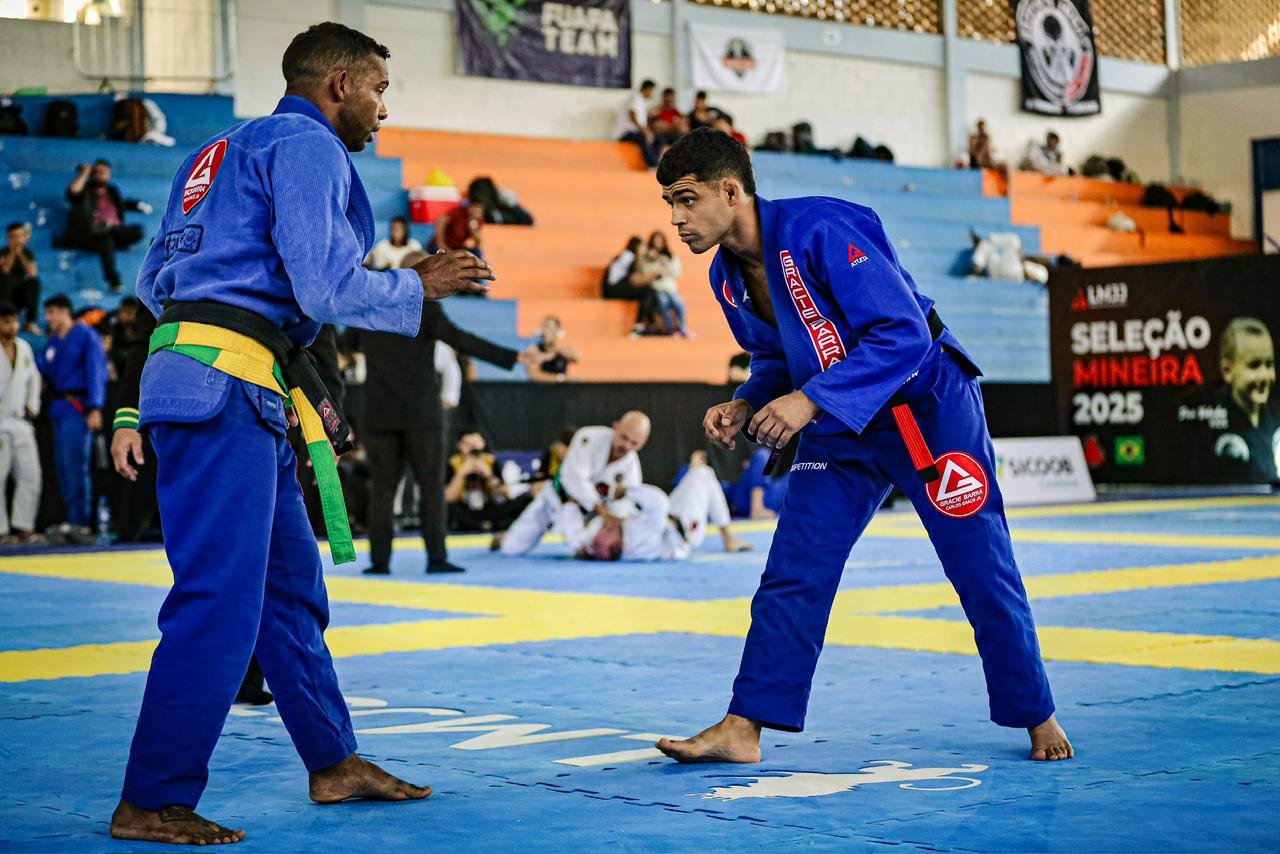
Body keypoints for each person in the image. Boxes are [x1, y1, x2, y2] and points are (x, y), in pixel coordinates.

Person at [111, 21, 496, 846]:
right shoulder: (307, 144)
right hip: (224, 390)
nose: (383, 110)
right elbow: (323, 287)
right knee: (218, 599)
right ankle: (152, 797)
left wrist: (249, 341)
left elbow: (153, 281)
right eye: (379, 90)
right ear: (340, 84)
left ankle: (333, 761)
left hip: (217, 379)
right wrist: (414, 284)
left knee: (289, 593)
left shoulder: (212, 152)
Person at [650, 128, 1072, 766]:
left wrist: (807, 401)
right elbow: (776, 358)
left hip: (923, 411)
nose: (677, 219)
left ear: (731, 192)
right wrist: (747, 401)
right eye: (670, 204)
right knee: (795, 568)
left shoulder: (821, 228)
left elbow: (903, 333)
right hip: (841, 426)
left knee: (979, 565)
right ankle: (743, 727)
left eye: (687, 199)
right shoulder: (726, 279)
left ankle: (1036, 713)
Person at [358, 250, 537, 575]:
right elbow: (461, 340)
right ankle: (437, 558)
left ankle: (379, 562)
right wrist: (513, 357)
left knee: (381, 490)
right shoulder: (424, 308)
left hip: (379, 413)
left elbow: (345, 346)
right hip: (421, 415)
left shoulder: (373, 305)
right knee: (431, 487)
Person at [495, 412, 650, 555]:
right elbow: (574, 478)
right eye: (624, 438)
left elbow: (623, 505)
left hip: (590, 516)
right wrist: (600, 509)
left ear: (642, 444)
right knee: (511, 549)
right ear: (616, 427)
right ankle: (505, 538)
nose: (626, 446)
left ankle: (582, 544)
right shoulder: (588, 437)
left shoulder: (632, 469)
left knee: (590, 549)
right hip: (555, 500)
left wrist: (613, 522)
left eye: (634, 443)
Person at [572, 453, 751, 561]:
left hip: (666, 520)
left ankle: (692, 469)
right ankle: (728, 538)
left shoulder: (599, 540)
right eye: (607, 531)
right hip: (685, 530)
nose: (606, 527)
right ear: (619, 545)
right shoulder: (637, 534)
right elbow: (659, 502)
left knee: (694, 477)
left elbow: (582, 539)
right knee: (704, 473)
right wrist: (627, 491)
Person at [37, 294, 107, 536]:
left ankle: (81, 522)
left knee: (76, 465)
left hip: (79, 407)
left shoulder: (86, 334)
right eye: (47, 313)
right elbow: (41, 369)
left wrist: (95, 407)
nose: (48, 318)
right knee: (63, 468)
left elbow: (96, 371)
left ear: (65, 311)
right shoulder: (54, 342)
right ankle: (71, 518)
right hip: (58, 409)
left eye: (52, 312)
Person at [62, 159, 152, 292]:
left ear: (109, 175)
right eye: (96, 172)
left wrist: (137, 205)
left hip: (114, 231)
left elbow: (122, 204)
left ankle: (114, 241)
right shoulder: (86, 190)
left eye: (103, 172)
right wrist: (85, 173)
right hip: (91, 235)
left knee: (138, 231)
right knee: (105, 239)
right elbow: (73, 192)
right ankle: (113, 280)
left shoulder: (112, 190)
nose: (99, 175)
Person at [1211, 317, 1278, 482]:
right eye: (1254, 365)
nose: (1264, 376)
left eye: (1269, 364)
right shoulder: (1212, 428)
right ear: (1227, 370)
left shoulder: (1275, 416)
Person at [0, 300, 42, 544]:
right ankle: (2, 531)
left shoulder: (24, 347)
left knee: (30, 475)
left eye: (15, 321)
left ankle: (25, 527)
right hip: (1, 421)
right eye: (7, 322)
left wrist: (32, 405)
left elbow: (34, 379)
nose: (13, 326)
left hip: (20, 421)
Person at [445, 430, 534, 532]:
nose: (472, 450)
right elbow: (448, 498)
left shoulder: (490, 462)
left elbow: (504, 497)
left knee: (523, 502)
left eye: (475, 445)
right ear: (460, 446)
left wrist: (489, 475)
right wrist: (461, 474)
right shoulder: (453, 464)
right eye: (468, 445)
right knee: (447, 509)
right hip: (465, 510)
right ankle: (482, 525)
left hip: (488, 510)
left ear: (483, 444)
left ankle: (485, 524)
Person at [603, 236, 660, 335]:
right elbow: (633, 280)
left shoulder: (627, 255)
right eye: (643, 246)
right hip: (613, 289)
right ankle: (639, 325)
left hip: (615, 287)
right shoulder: (629, 256)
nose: (645, 249)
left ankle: (651, 324)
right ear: (637, 246)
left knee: (650, 292)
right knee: (647, 292)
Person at [640, 231, 689, 337]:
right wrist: (656, 270)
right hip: (657, 289)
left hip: (670, 289)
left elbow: (677, 272)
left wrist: (665, 263)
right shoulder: (648, 258)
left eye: (660, 241)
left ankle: (683, 329)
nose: (658, 244)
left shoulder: (670, 257)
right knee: (663, 303)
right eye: (655, 241)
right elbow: (645, 272)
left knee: (680, 305)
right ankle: (669, 328)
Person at [0, 222, 42, 333]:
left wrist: (20, 253)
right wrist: (13, 253)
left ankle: (30, 322)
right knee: (6, 279)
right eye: (14, 236)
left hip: (18, 295)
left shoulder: (27, 253)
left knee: (34, 282)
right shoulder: (2, 252)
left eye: (20, 236)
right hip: (3, 294)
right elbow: (5, 270)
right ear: (9, 238)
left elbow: (32, 273)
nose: (17, 239)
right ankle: (5, 318)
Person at [616, 79, 659, 167]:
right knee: (643, 137)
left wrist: (648, 132)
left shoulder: (642, 102)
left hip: (636, 133)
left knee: (658, 138)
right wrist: (645, 132)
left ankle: (655, 161)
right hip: (626, 134)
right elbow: (632, 116)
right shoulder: (635, 99)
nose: (652, 95)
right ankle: (653, 164)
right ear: (647, 89)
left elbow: (642, 122)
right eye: (652, 92)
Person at [525, 314, 580, 383]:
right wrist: (559, 378)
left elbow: (577, 358)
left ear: (557, 330)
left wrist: (557, 350)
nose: (546, 331)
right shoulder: (534, 349)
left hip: (561, 388)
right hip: (541, 388)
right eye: (544, 327)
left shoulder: (564, 349)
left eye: (549, 328)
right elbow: (534, 375)